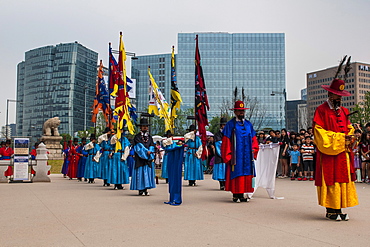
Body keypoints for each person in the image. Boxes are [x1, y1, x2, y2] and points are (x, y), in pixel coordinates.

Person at [313, 77, 358, 221]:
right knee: (330, 179)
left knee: (342, 179)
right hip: (329, 153)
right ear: (330, 94)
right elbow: (318, 131)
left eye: (340, 95)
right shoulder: (321, 110)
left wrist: (351, 136)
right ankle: (331, 209)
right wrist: (339, 138)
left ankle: (339, 208)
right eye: (336, 95)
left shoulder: (344, 111)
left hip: (342, 153)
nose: (338, 98)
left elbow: (349, 127)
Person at [221, 100, 259, 203]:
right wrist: (228, 155)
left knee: (246, 174)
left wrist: (254, 149)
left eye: (242, 111)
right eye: (239, 111)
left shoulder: (248, 124)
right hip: (236, 155)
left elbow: (254, 139)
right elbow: (226, 141)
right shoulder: (230, 125)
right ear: (235, 112)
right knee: (236, 173)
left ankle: (242, 194)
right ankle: (235, 194)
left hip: (247, 154)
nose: (241, 113)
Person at [130, 117, 156, 196]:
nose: (145, 127)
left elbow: (152, 145)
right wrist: (145, 152)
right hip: (140, 158)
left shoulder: (150, 137)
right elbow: (138, 147)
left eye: (146, 126)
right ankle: (140, 190)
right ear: (140, 127)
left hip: (148, 158)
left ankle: (146, 189)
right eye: (143, 126)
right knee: (140, 173)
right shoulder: (137, 137)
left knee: (147, 173)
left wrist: (150, 151)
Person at [212, 117, 227, 190]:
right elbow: (218, 144)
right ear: (221, 125)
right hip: (220, 154)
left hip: (227, 154)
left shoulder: (229, 133)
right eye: (223, 125)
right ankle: (221, 184)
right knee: (220, 170)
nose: (224, 126)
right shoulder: (217, 134)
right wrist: (222, 153)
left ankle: (226, 184)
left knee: (226, 170)